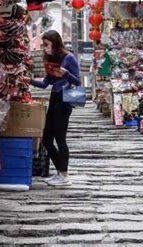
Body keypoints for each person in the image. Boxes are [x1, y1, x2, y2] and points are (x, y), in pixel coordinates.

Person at [30, 30, 81, 186]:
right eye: (43, 45)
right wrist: (28, 80)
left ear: (55, 42)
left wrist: (65, 74)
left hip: (65, 100)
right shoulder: (53, 60)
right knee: (46, 138)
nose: (45, 48)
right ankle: (60, 171)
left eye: (46, 45)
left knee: (60, 138)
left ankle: (64, 175)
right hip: (54, 99)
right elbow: (45, 83)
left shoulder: (69, 58)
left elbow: (77, 82)